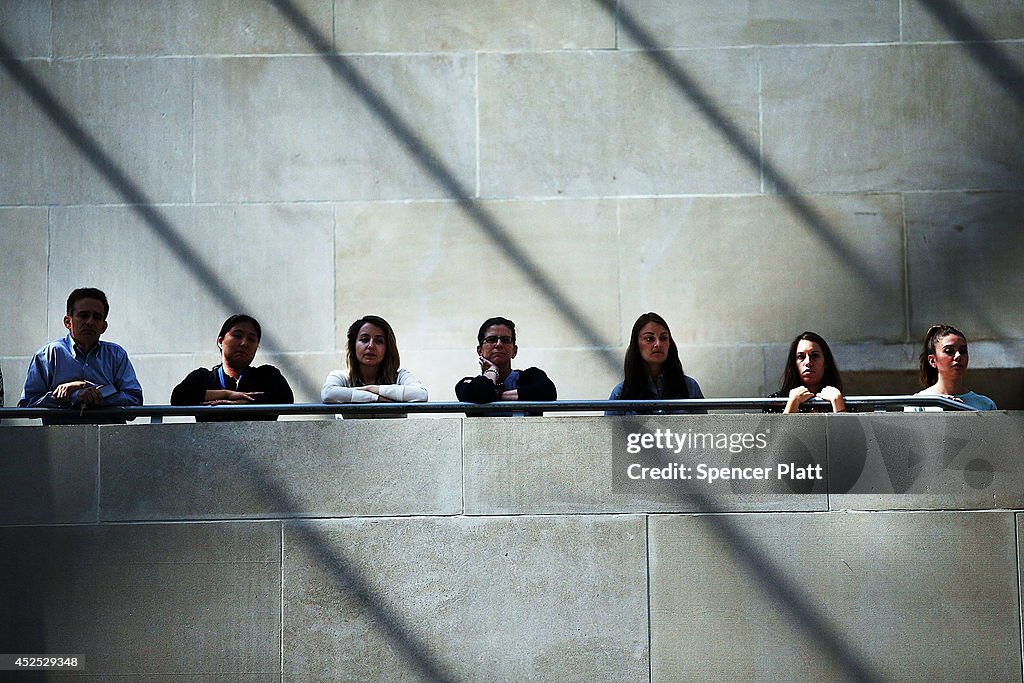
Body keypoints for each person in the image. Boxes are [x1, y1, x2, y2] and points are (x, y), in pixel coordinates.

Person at [19, 287, 143, 423]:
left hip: (109, 441)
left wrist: (87, 389)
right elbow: (27, 405)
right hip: (61, 441)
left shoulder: (116, 355)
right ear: (68, 322)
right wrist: (71, 397)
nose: (90, 322)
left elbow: (135, 402)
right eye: (83, 315)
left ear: (103, 326)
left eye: (97, 317)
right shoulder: (48, 355)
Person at [171, 314, 293, 421]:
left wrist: (242, 402)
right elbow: (179, 396)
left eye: (251, 339)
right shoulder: (204, 377)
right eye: (237, 335)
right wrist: (227, 395)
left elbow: (285, 398)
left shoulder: (267, 375)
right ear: (220, 341)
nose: (244, 343)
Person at [606, 312, 705, 415]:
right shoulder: (620, 394)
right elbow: (607, 430)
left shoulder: (690, 387)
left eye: (663, 338)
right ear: (636, 345)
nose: (658, 344)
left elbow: (704, 429)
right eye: (649, 339)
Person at [455, 316, 556, 414]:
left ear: (514, 351)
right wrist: (492, 370)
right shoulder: (467, 384)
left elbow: (548, 392)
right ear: (480, 350)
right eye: (491, 339)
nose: (499, 344)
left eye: (505, 340)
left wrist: (497, 396)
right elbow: (481, 393)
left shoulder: (530, 376)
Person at [321, 315, 427, 407]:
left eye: (379, 341)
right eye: (364, 339)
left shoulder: (400, 377)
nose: (371, 346)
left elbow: (421, 394)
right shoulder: (341, 377)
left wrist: (373, 389)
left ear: (387, 348)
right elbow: (328, 394)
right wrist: (376, 398)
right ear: (353, 346)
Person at [907, 324, 996, 411]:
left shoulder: (986, 405)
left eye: (963, 351)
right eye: (949, 351)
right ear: (932, 360)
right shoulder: (917, 403)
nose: (958, 356)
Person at [766, 331, 846, 413]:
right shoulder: (775, 402)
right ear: (794, 364)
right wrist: (792, 404)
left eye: (814, 356)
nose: (808, 362)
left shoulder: (844, 401)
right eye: (801, 356)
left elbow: (848, 426)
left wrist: (837, 403)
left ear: (826, 362)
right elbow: (777, 427)